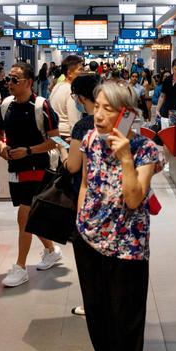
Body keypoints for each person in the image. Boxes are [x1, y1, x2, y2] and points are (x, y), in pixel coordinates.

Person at [75, 81, 163, 351]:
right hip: (89, 237)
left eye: (107, 109)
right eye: (96, 107)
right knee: (98, 308)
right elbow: (85, 182)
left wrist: (125, 156)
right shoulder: (88, 139)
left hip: (127, 243)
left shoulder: (145, 150)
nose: (98, 115)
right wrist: (80, 218)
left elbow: (133, 198)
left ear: (126, 114)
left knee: (125, 310)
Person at [0, 61, 63, 287]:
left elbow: (56, 140)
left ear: (29, 82)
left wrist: (29, 151)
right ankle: (51, 250)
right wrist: (1, 147)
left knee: (23, 216)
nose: (10, 83)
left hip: (38, 168)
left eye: (15, 80)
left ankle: (20, 267)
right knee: (31, 216)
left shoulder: (42, 106)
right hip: (16, 168)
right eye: (8, 79)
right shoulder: (6, 105)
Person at [63, 73, 101, 318]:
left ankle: (92, 303)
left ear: (80, 97)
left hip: (86, 197)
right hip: (113, 196)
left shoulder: (82, 126)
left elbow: (74, 166)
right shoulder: (119, 121)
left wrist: (63, 151)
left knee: (89, 257)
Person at [49, 54, 84, 141]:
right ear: (69, 73)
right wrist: (76, 141)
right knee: (67, 154)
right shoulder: (71, 91)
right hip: (67, 137)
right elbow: (74, 121)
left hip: (56, 136)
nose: (82, 73)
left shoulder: (58, 86)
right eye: (80, 70)